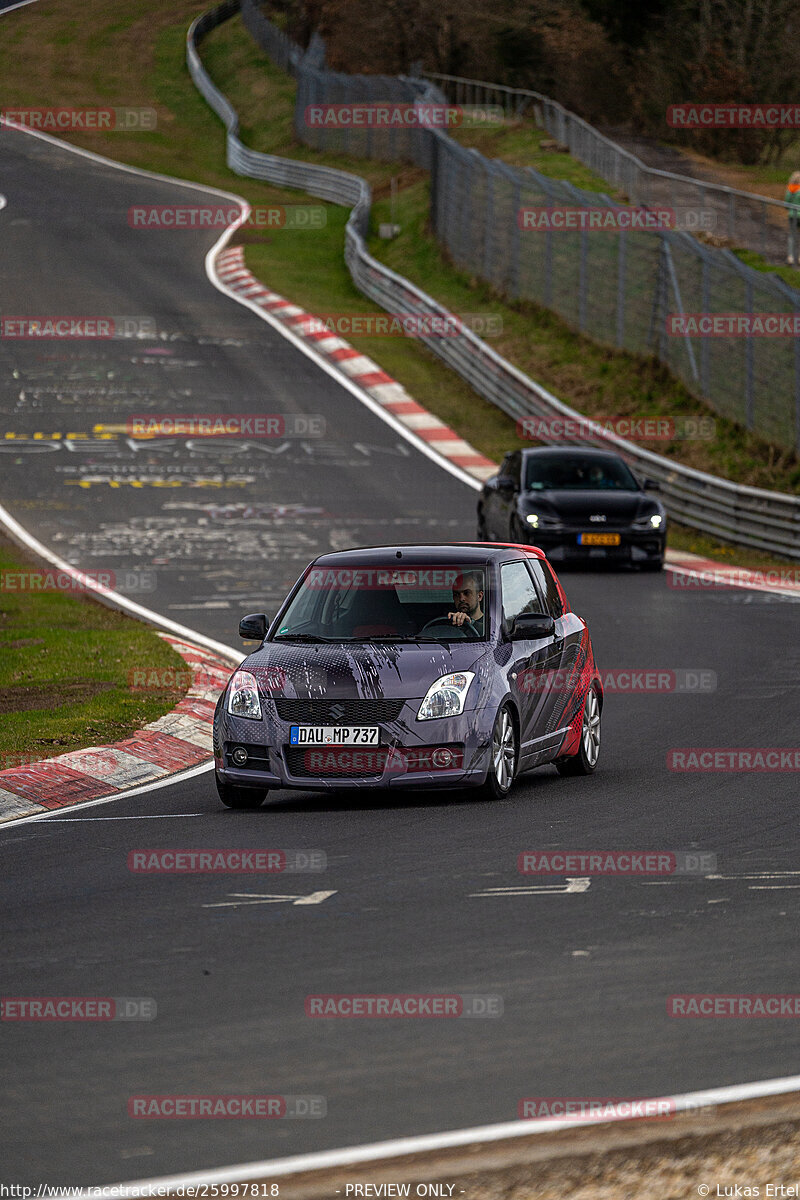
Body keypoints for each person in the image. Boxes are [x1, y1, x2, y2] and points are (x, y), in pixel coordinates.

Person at [446, 571, 485, 635]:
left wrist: (472, 623)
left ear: (479, 596)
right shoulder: (446, 624)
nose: (461, 599)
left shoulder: (490, 625)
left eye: (466, 593)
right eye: (456, 594)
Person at [784, 171, 800, 266]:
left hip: (792, 215)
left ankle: (790, 256)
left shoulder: (790, 189)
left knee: (792, 235)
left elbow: (786, 203)